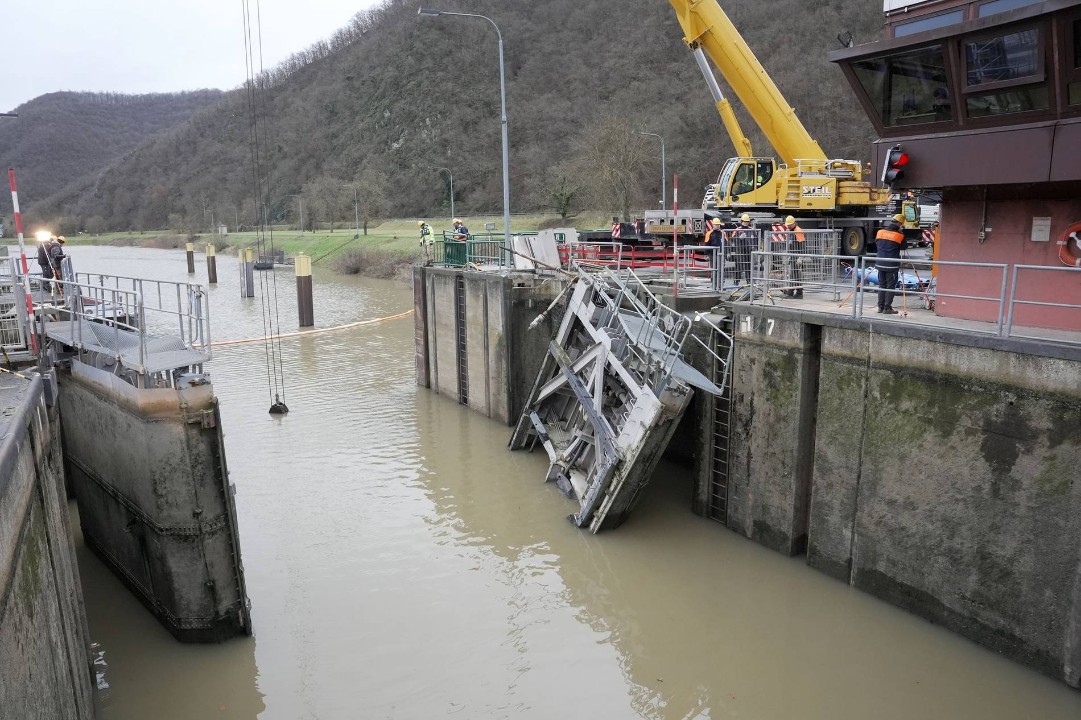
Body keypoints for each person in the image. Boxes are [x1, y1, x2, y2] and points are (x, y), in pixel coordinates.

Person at [874, 214, 905, 315]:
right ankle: (887, 308)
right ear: (900, 224)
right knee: (890, 286)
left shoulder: (880, 232)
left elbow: (877, 243)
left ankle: (880, 307)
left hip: (880, 263)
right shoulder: (899, 235)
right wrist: (901, 232)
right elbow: (904, 247)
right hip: (891, 265)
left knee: (882, 285)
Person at [781, 215, 806, 298]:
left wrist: (800, 257)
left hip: (797, 256)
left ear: (794, 223)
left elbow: (802, 245)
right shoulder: (791, 231)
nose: (788, 226)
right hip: (793, 255)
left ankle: (790, 293)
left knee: (794, 275)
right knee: (795, 275)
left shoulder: (797, 231)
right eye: (787, 225)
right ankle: (799, 292)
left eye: (789, 225)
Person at [731, 213, 757, 283]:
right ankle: (736, 281)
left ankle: (749, 281)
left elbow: (756, 239)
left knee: (748, 266)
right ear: (741, 221)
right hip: (740, 250)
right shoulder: (737, 229)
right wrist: (739, 238)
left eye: (747, 221)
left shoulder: (752, 230)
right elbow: (732, 239)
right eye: (744, 221)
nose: (746, 223)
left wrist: (754, 247)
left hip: (749, 250)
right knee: (739, 266)